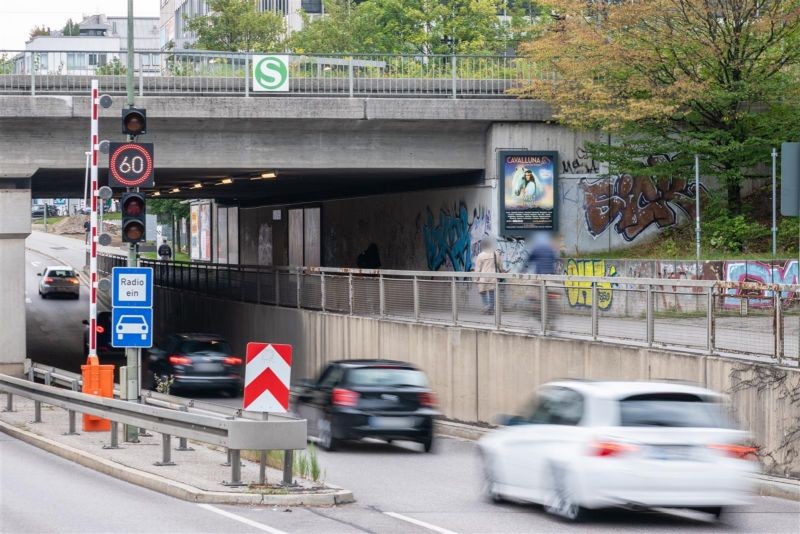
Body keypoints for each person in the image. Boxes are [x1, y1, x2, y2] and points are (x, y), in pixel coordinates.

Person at [475, 239, 505, 314]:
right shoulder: (495, 254)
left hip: (483, 277)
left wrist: (476, 279)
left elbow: (477, 269)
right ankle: (491, 309)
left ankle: (486, 307)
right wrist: (502, 271)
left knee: (483, 292)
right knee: (492, 293)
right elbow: (500, 266)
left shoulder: (480, 255)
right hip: (493, 276)